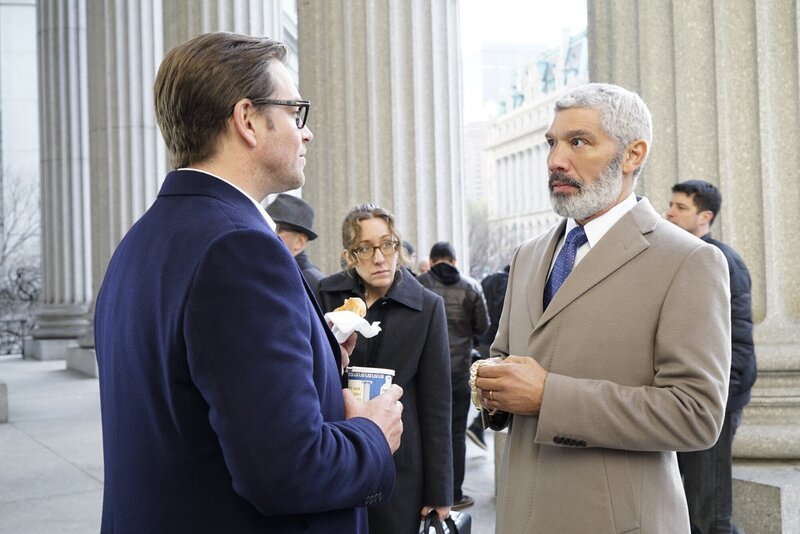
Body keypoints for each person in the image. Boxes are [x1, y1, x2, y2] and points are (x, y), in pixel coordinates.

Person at [93, 32, 404, 533]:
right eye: (295, 112)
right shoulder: (239, 250)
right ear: (248, 121)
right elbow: (288, 472)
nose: (307, 133)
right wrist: (373, 433)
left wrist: (317, 359)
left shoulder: (140, 241)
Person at [473, 83, 732, 533]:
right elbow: (506, 359)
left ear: (633, 155)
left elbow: (696, 414)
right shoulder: (528, 254)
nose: (556, 160)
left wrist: (548, 396)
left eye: (578, 142)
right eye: (552, 143)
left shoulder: (689, 261)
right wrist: (490, 387)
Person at [315, 203, 453, 534]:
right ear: (349, 256)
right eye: (365, 248)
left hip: (400, 464)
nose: (379, 258)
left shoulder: (427, 307)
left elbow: (436, 406)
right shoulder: (326, 295)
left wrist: (440, 492)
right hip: (338, 455)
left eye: (387, 244)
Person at [667, 179, 756, 534]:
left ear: (705, 217)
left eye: (681, 207)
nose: (670, 213)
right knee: (686, 510)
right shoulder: (678, 256)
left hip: (713, 403)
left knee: (711, 517)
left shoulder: (723, 261)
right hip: (683, 400)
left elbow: (739, 340)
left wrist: (718, 400)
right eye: (670, 205)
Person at [417, 241, 489, 511]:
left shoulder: (418, 284)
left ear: (431, 261)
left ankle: (427, 492)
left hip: (425, 371)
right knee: (456, 433)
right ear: (454, 261)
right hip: (458, 370)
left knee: (426, 430)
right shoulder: (471, 287)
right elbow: (482, 326)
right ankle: (454, 494)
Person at [466, 263, 511, 450]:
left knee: (489, 382)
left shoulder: (488, 279)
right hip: (495, 339)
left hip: (482, 338)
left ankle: (479, 425)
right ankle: (478, 425)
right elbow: (502, 314)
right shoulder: (507, 283)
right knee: (498, 384)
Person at [266, 192, 325, 285]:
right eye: (265, 227)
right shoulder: (272, 271)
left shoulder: (311, 281)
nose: (267, 234)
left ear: (300, 241)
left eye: (277, 229)